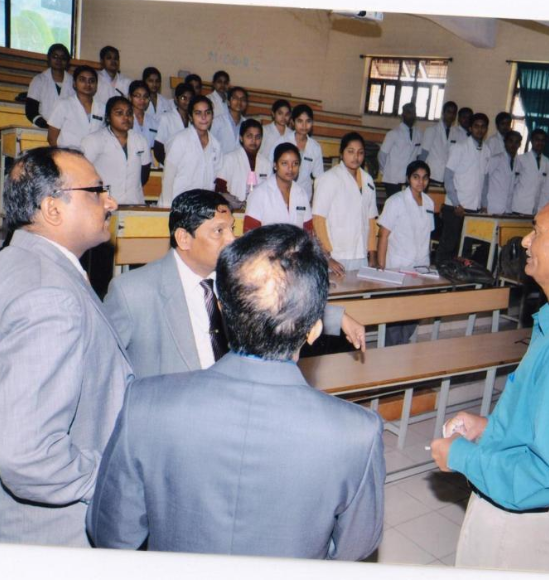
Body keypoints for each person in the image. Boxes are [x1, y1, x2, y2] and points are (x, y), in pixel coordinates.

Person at [88, 224, 385, 559]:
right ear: (315, 330)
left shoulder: (146, 403)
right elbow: (353, 552)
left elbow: (111, 534)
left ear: (224, 311)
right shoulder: (358, 432)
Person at [430, 191, 549, 572]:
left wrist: (460, 456)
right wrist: (490, 429)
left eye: (537, 232)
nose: (525, 241)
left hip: (519, 529)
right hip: (527, 518)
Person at [0, 147, 131, 547]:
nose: (110, 201)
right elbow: (26, 452)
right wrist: (114, 481)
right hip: (58, 537)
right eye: (96, 191)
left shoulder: (16, 263)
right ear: (53, 209)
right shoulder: (49, 294)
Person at [104, 190, 365, 379]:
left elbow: (275, 306)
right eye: (219, 231)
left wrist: (337, 318)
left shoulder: (235, 275)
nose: (232, 240)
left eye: (232, 228)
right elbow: (105, 373)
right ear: (184, 238)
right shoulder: (132, 292)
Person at [377, 160, 434, 345]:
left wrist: (428, 266)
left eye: (425, 178)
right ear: (408, 178)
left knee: (414, 311)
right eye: (416, 177)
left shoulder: (429, 203)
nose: (420, 182)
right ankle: (391, 352)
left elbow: (427, 236)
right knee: (396, 313)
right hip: (397, 265)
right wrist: (381, 266)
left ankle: (401, 348)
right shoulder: (395, 201)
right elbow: (383, 235)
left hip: (421, 266)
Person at [313, 132, 378, 273]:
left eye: (360, 153)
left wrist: (372, 253)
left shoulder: (368, 181)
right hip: (336, 255)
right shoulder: (328, 179)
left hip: (361, 254)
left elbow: (371, 220)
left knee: (360, 294)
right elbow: (318, 220)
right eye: (351, 152)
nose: (356, 157)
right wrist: (327, 257)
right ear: (341, 153)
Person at [435, 112, 490, 264]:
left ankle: (457, 282)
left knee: (465, 247)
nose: (480, 130)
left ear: (486, 129)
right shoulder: (459, 147)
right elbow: (447, 177)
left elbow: (485, 181)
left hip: (474, 207)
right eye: (476, 126)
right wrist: (456, 203)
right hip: (455, 207)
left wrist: (484, 204)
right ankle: (438, 278)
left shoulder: (487, 151)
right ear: (471, 128)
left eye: (483, 127)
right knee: (448, 245)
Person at [81, 96, 151, 205]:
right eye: (119, 113)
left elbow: (144, 174)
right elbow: (83, 173)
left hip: (134, 203)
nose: (126, 117)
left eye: (129, 113)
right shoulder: (94, 140)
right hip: (104, 204)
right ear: (108, 117)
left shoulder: (140, 140)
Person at [159, 95, 222, 207]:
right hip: (176, 205)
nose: (204, 117)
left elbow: (215, 179)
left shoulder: (216, 145)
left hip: (201, 207)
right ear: (191, 117)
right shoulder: (179, 140)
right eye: (198, 113)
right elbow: (168, 176)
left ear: (212, 115)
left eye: (207, 113)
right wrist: (167, 207)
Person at [245, 143, 312, 232]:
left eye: (295, 163)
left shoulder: (301, 193)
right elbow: (249, 234)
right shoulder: (259, 194)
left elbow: (308, 231)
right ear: (275, 165)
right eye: (284, 163)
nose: (290, 168)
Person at [215, 118, 271, 208]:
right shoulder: (229, 159)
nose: (254, 141)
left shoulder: (266, 164)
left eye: (258, 137)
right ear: (241, 138)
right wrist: (234, 202)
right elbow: (220, 188)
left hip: (258, 213)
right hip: (233, 211)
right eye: (249, 136)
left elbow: (269, 192)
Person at [47, 65, 105, 150]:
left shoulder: (103, 108)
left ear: (96, 85)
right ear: (74, 83)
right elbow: (52, 138)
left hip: (94, 160)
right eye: (82, 80)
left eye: (91, 81)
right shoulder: (63, 105)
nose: (87, 84)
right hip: (67, 158)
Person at [278, 104, 325, 196]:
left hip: (304, 194)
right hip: (281, 192)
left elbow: (319, 177)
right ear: (292, 122)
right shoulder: (282, 141)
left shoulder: (315, 147)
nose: (304, 125)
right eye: (300, 121)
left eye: (308, 121)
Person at [25, 43, 75, 128]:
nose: (59, 60)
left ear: (68, 62)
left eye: (63, 58)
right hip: (41, 128)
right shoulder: (39, 80)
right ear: (48, 58)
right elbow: (31, 111)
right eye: (55, 57)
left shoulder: (73, 82)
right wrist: (47, 126)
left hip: (66, 131)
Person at [378, 102, 422, 198]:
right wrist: (383, 170)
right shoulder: (393, 133)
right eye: (409, 112)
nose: (412, 115)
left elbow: (418, 156)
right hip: (392, 177)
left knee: (407, 205)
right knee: (393, 205)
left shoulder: (418, 133)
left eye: (413, 112)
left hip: (409, 178)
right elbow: (382, 154)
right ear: (403, 115)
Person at [420, 101, 464, 186]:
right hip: (432, 175)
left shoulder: (457, 133)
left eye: (454, 113)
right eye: (449, 112)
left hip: (448, 177)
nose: (451, 115)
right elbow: (423, 155)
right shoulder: (432, 130)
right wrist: (420, 175)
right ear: (443, 113)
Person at [511, 128, 549, 215]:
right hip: (519, 205)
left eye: (543, 140)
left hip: (535, 208)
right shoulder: (521, 159)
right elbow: (513, 183)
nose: (540, 143)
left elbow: (543, 187)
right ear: (532, 141)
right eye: (537, 140)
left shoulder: (547, 162)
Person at [153, 82, 194, 165]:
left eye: (190, 98)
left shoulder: (195, 121)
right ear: (176, 99)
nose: (187, 101)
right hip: (170, 166)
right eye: (183, 98)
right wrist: (171, 166)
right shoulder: (166, 118)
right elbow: (158, 149)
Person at [482, 130, 522, 215]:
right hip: (492, 207)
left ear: (519, 144)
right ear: (505, 142)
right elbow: (485, 182)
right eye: (510, 141)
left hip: (507, 209)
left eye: (516, 142)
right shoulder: (496, 159)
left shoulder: (518, 163)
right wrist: (484, 204)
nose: (513, 145)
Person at [211, 86, 248, 154]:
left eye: (243, 99)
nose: (239, 101)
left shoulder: (247, 124)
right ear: (228, 102)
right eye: (235, 98)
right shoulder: (217, 122)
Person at [128, 80, 159, 149]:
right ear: (130, 97)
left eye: (145, 96)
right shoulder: (125, 119)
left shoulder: (154, 122)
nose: (142, 100)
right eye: (138, 96)